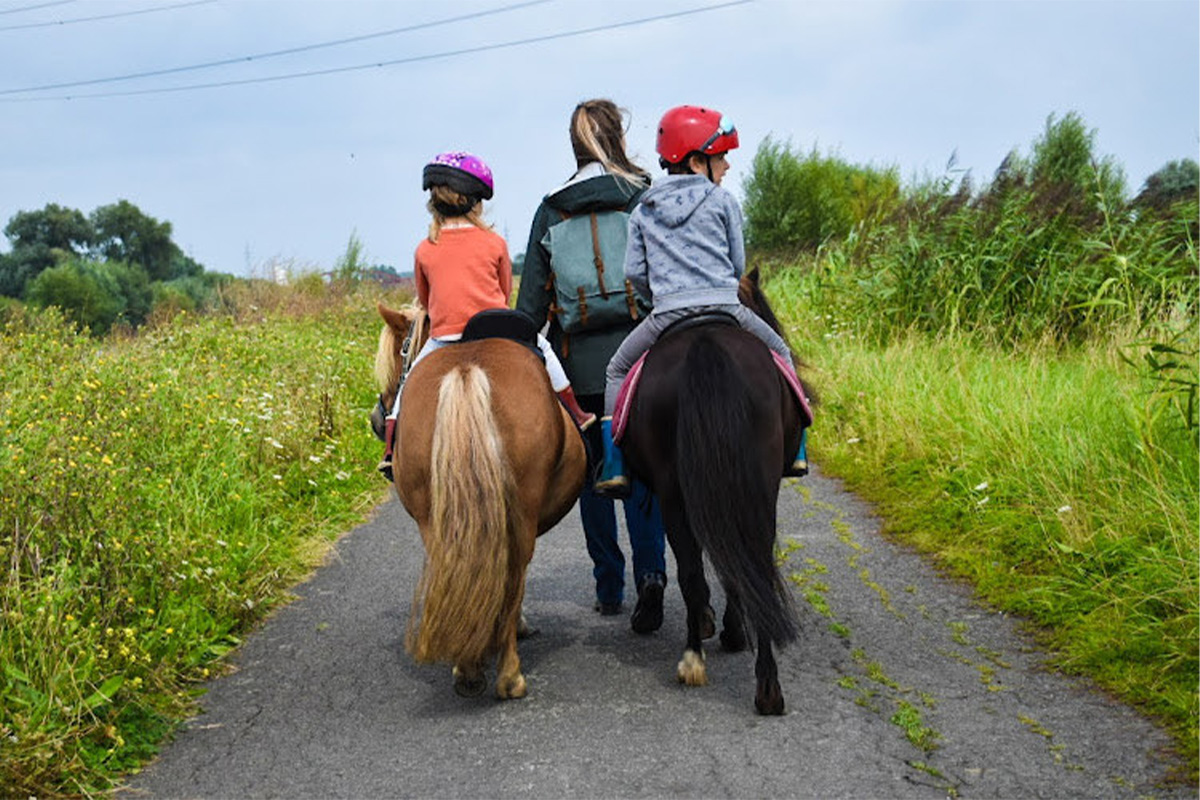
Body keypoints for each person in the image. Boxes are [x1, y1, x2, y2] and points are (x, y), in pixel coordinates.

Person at [594, 105, 807, 497]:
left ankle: (614, 463)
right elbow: (736, 262)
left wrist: (660, 297)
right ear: (695, 162)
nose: (725, 166)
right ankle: (798, 449)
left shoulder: (644, 208)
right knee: (778, 351)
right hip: (726, 306)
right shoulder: (723, 201)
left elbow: (634, 272)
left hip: (666, 314)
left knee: (616, 370)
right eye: (720, 156)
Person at [516, 99, 668, 633]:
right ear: (618, 139)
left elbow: (530, 308)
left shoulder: (551, 209)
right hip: (640, 359)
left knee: (590, 475)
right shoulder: (641, 196)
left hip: (578, 365)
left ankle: (609, 585)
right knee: (644, 467)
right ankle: (654, 573)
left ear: (574, 143)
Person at [377, 151, 595, 480]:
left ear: (434, 204)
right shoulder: (494, 242)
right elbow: (504, 290)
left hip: (445, 336)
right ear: (477, 203)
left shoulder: (425, 249)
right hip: (497, 330)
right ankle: (576, 413)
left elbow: (425, 299)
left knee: (408, 384)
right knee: (546, 353)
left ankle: (392, 448)